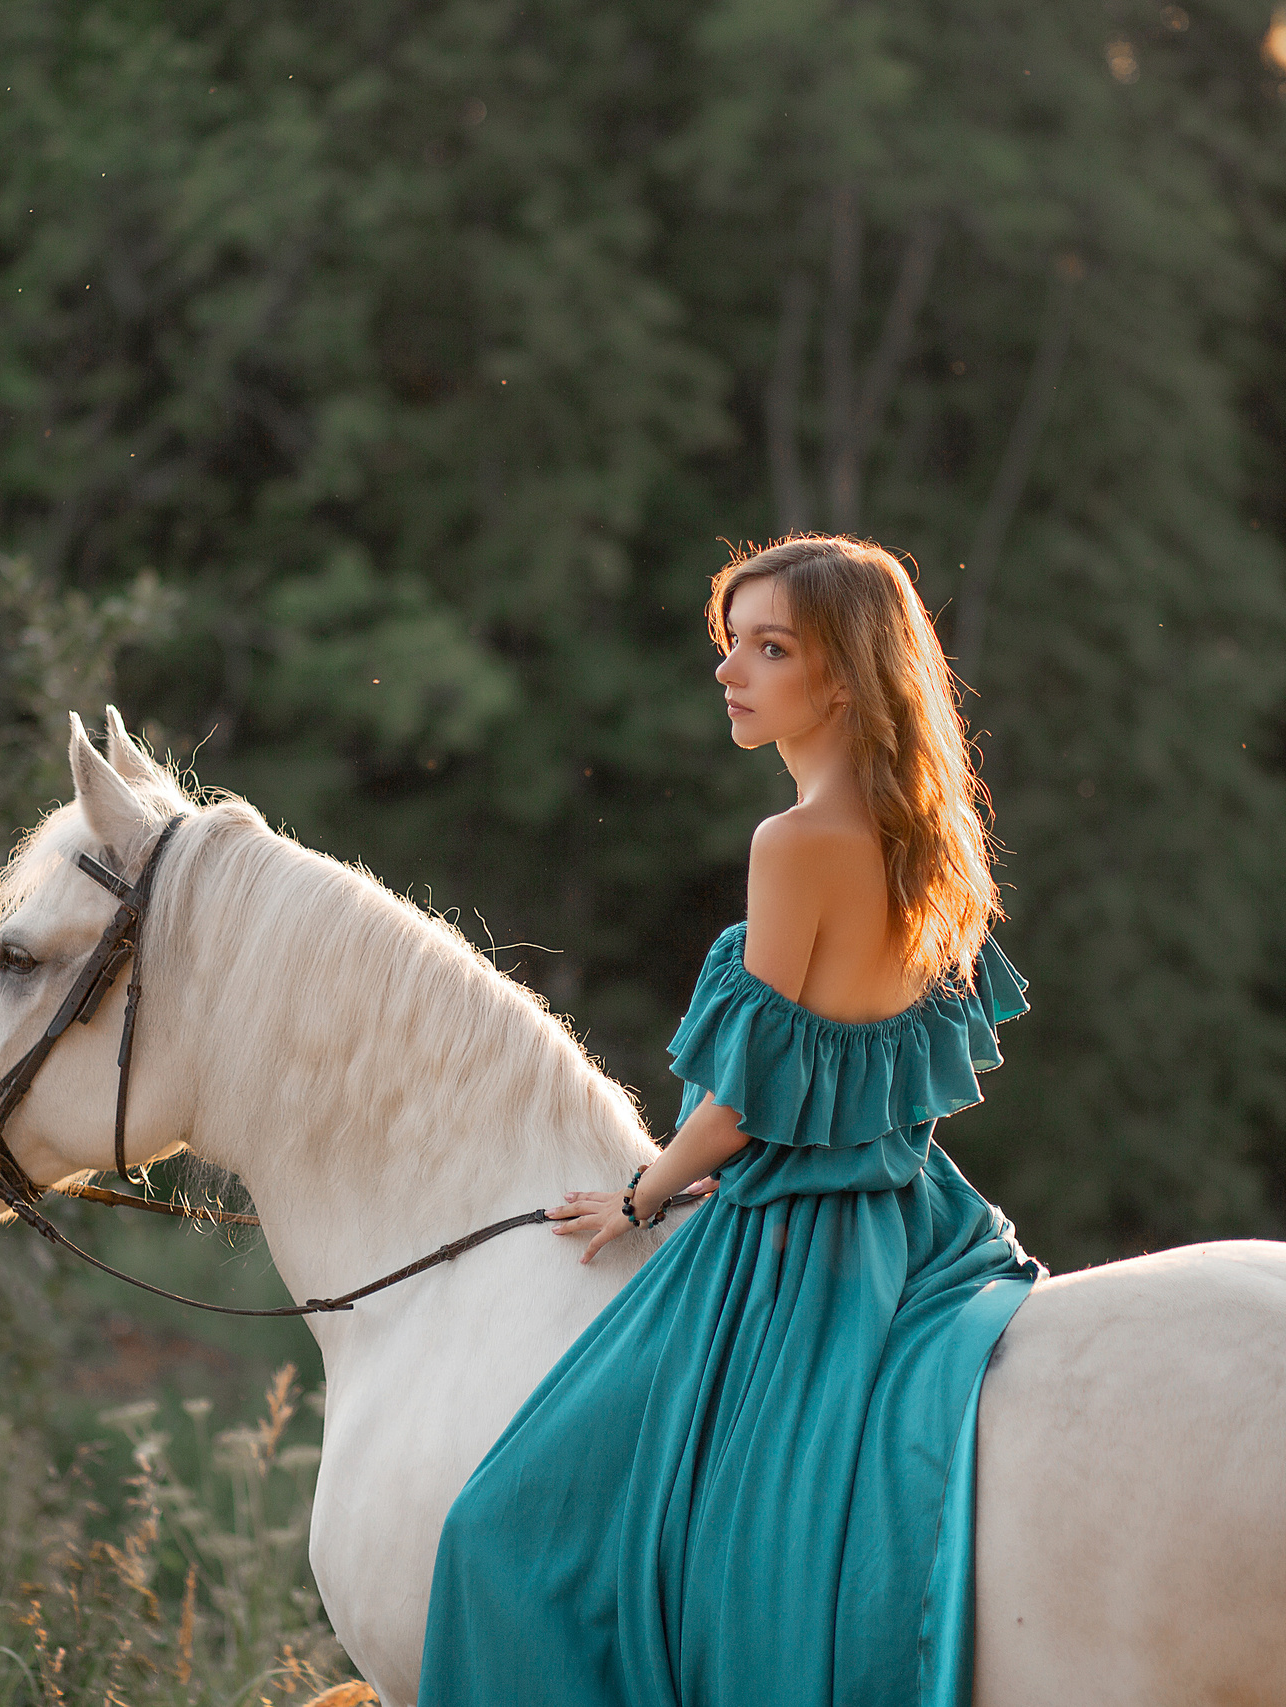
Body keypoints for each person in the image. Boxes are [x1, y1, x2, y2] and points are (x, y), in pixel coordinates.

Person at [419, 534, 1039, 1707]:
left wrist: (642, 1191)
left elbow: (745, 1107)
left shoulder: (794, 843)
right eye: (729, 644)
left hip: (790, 1242)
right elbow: (859, 1074)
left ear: (845, 678)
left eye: (769, 648)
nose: (728, 672)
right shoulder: (922, 845)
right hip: (913, 1217)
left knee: (499, 1531)